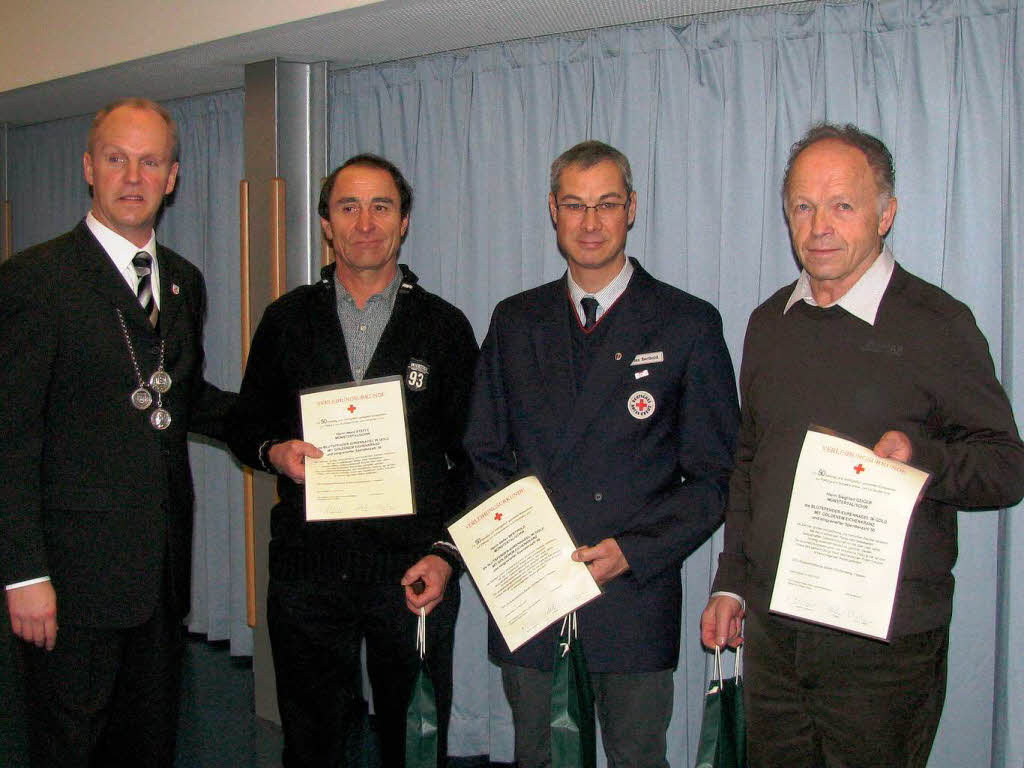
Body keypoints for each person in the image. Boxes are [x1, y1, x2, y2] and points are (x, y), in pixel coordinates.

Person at [701, 123, 1024, 767]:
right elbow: (749, 463)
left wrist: (922, 460)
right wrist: (731, 583)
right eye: (802, 205)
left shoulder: (938, 324)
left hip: (885, 649)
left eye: (842, 204)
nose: (819, 224)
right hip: (773, 637)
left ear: (887, 214)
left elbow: (1007, 467)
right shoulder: (768, 323)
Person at [463, 140, 740, 767]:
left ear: (632, 209)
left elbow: (716, 476)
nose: (590, 223)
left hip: (632, 594)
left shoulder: (686, 323)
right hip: (531, 588)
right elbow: (483, 449)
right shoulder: (514, 320)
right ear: (553, 213)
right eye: (575, 205)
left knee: (638, 755)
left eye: (607, 204)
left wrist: (633, 552)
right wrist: (518, 549)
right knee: (538, 753)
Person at [0, 97, 235, 766]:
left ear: (173, 176)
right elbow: (10, 439)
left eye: (150, 161)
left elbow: (183, 398)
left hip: (158, 576)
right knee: (68, 746)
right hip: (69, 585)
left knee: (149, 744)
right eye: (116, 159)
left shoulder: (184, 282)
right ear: (88, 168)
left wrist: (276, 434)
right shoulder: (35, 281)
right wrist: (22, 576)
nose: (133, 177)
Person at [226, 154, 479, 767]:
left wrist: (447, 557)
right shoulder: (285, 321)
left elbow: (474, 460)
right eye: (348, 207)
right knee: (312, 741)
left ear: (404, 222)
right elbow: (244, 427)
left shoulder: (444, 327)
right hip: (309, 571)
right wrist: (274, 452)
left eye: (381, 206)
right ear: (326, 225)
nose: (365, 222)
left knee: (413, 740)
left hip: (412, 572)